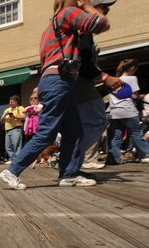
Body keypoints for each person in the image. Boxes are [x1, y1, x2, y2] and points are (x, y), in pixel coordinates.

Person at [0, 0, 110, 190]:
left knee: (74, 131)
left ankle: (68, 174)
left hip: (56, 81)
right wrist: (86, 6)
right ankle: (12, 170)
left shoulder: (51, 26)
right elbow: (101, 24)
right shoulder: (68, 13)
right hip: (60, 81)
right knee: (47, 131)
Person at [75, 0, 123, 170]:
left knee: (80, 123)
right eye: (104, 8)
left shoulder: (84, 31)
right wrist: (104, 77)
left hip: (80, 80)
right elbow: (81, 62)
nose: (106, 12)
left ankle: (74, 161)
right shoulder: (84, 31)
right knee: (98, 120)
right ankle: (75, 158)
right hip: (78, 81)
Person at [106, 58, 149, 164]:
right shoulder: (132, 78)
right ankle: (146, 154)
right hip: (128, 110)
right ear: (133, 68)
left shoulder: (115, 79)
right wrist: (142, 96)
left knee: (116, 136)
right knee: (136, 133)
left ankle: (113, 159)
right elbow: (134, 95)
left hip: (115, 112)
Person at [0, 95, 26, 163]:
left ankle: (16, 159)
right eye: (9, 102)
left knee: (17, 145)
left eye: (11, 102)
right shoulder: (7, 110)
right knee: (7, 146)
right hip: (7, 130)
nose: (10, 103)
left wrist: (15, 116)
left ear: (16, 102)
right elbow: (1, 121)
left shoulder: (20, 108)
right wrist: (5, 114)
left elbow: (24, 117)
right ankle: (12, 159)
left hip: (16, 129)